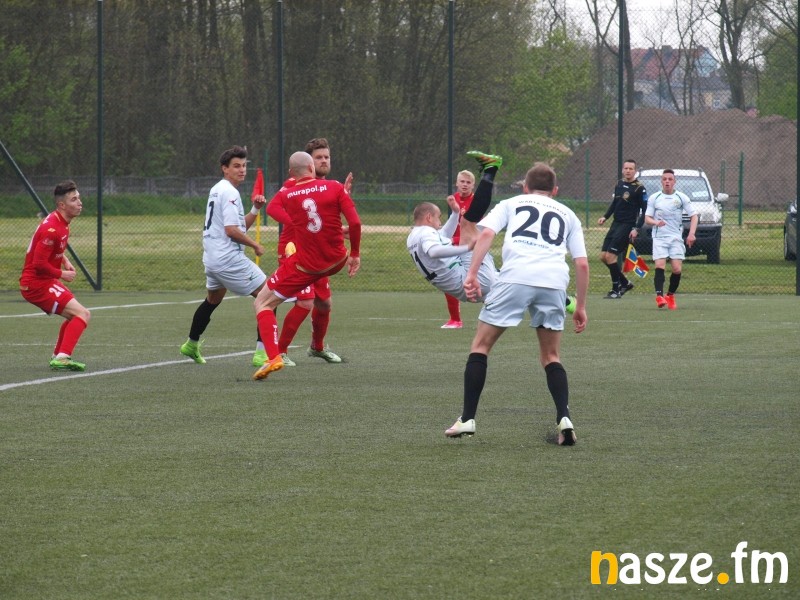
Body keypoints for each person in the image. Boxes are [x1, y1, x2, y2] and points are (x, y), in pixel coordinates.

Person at [444, 162, 589, 446]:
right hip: (553, 282)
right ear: (555, 190)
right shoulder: (569, 215)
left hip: (515, 278)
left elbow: (486, 234)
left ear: (525, 187)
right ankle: (564, 418)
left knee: (480, 346)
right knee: (551, 356)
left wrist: (471, 273)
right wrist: (580, 307)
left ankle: (468, 419)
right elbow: (582, 264)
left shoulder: (511, 203)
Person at [252, 151, 361, 381]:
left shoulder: (290, 193)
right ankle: (292, 349)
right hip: (335, 260)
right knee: (312, 301)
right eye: (319, 157)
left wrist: (295, 221)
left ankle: (275, 356)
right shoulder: (334, 187)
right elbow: (355, 222)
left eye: (327, 156)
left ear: (292, 172)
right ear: (311, 166)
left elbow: (271, 209)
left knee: (262, 302)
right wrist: (355, 254)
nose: (324, 161)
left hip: (307, 264)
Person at [179, 145, 268, 365]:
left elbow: (237, 226)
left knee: (212, 300)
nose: (242, 170)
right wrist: (255, 245)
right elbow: (231, 231)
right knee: (269, 296)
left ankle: (191, 344)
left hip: (212, 259)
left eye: (244, 165)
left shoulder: (218, 189)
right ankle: (262, 354)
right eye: (236, 166)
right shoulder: (230, 192)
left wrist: (255, 209)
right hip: (228, 259)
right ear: (224, 168)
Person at [407, 151, 502, 304]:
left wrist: (455, 213)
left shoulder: (414, 235)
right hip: (468, 280)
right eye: (438, 217)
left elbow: (444, 234)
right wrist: (466, 248)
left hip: (463, 287)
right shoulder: (425, 233)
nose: (440, 221)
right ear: (429, 217)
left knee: (512, 285)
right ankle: (491, 169)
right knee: (468, 224)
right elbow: (434, 251)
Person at [19, 180, 91, 371]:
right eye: (74, 199)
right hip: (36, 284)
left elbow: (50, 248)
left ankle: (58, 356)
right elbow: (38, 263)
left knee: (75, 315)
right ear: (62, 205)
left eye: (79, 198)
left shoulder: (60, 221)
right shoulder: (52, 228)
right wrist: (62, 274)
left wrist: (64, 260)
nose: (79, 202)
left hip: (43, 281)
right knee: (83, 314)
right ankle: (62, 357)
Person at [644, 168, 698, 310]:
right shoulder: (654, 198)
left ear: (674, 182)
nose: (667, 181)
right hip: (659, 237)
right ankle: (659, 296)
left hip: (675, 237)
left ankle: (670, 295)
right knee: (660, 265)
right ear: (661, 181)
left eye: (670, 179)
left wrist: (691, 233)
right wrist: (656, 222)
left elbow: (694, 216)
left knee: (677, 269)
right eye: (664, 179)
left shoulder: (681, 197)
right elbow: (647, 218)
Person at [597, 159, 648, 299]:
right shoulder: (619, 184)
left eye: (631, 168)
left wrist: (636, 228)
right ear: (622, 170)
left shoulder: (639, 188)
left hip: (627, 225)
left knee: (610, 256)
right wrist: (605, 217)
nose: (628, 171)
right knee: (603, 256)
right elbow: (615, 203)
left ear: (635, 171)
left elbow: (645, 211)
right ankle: (625, 283)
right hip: (616, 223)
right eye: (626, 168)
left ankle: (616, 290)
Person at [440, 170, 476, 329]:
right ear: (457, 183)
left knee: (481, 283)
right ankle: (455, 320)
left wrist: (456, 240)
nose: (465, 185)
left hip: (470, 248)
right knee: (449, 281)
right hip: (453, 247)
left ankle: (494, 314)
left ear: (473, 185)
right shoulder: (452, 199)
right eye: (462, 181)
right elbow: (451, 223)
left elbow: (475, 228)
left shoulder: (476, 201)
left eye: (468, 182)